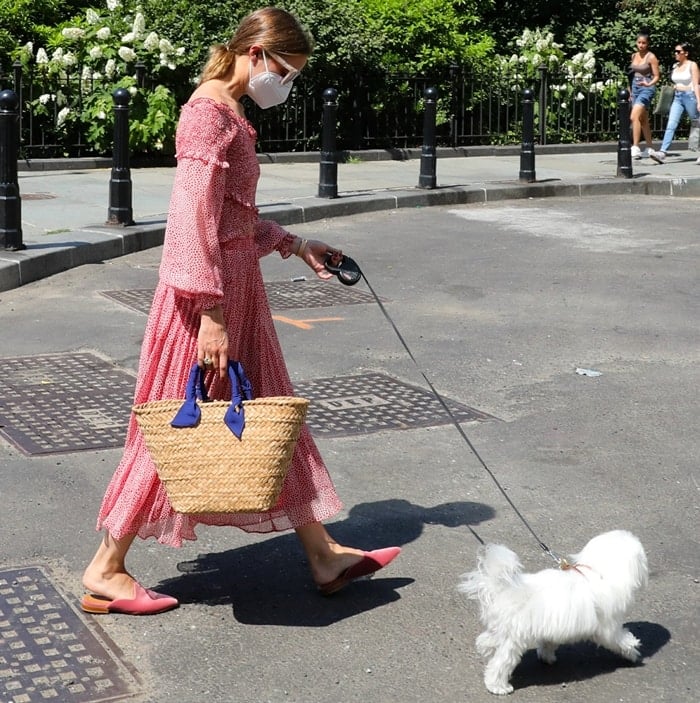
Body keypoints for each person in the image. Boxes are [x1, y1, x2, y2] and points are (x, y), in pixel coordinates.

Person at [81, 7, 400, 616]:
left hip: (235, 290)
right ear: (254, 53)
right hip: (209, 301)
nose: (288, 85)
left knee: (271, 416)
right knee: (179, 421)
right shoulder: (206, 115)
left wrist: (295, 244)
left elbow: (230, 218)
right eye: (286, 71)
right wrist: (209, 314)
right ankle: (106, 566)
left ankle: (323, 554)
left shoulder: (230, 112)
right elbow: (189, 225)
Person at [650, 42, 700, 164]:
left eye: (678, 52)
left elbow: (696, 84)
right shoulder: (675, 66)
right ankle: (662, 152)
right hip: (677, 98)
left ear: (686, 53)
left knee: (696, 124)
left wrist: (699, 101)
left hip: (690, 97)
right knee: (671, 123)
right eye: (675, 51)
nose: (676, 54)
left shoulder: (692, 65)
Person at [628, 31, 660, 159]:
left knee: (634, 116)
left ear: (647, 44)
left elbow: (657, 76)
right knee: (643, 119)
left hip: (646, 88)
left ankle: (635, 147)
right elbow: (631, 74)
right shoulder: (634, 56)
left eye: (644, 43)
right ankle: (650, 147)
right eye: (639, 42)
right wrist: (630, 89)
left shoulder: (651, 57)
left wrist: (649, 84)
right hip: (635, 87)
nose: (641, 45)